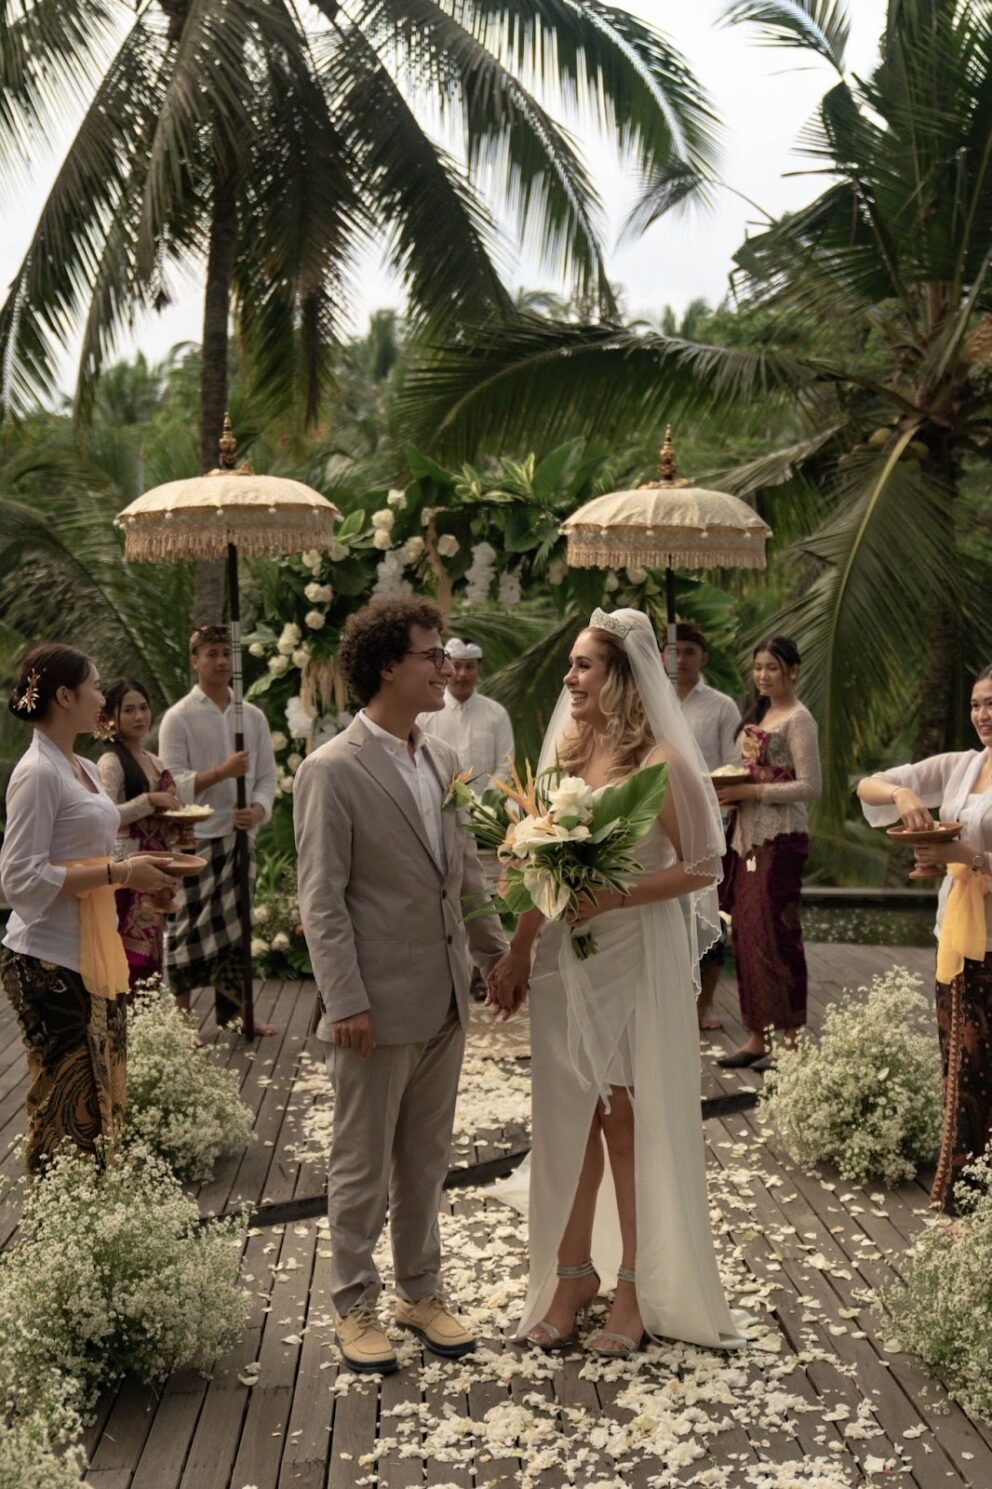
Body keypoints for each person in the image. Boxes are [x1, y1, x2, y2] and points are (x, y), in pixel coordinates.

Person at [488, 608, 745, 1357]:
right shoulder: (566, 758)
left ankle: (634, 1284)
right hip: (564, 961)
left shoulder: (661, 760)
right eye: (571, 665)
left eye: (584, 665)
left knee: (622, 1118)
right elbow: (536, 867)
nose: (569, 678)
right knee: (567, 1117)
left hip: (631, 955)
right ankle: (572, 1277)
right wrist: (517, 952)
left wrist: (616, 896)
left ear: (622, 678)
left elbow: (704, 865)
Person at [294, 597, 514, 1376]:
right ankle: (354, 1302)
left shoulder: (443, 759)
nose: (445, 667)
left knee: (425, 1160)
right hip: (373, 1005)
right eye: (431, 654)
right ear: (389, 665)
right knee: (361, 1162)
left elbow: (467, 875)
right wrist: (345, 999)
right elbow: (321, 899)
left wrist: (496, 959)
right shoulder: (331, 769)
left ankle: (420, 1291)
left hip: (445, 995)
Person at [0, 645, 177, 1172]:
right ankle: (56, 1213)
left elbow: (97, 852)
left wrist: (143, 871)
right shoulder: (38, 774)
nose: (102, 698)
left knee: (102, 1102)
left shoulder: (81, 766)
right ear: (63, 696)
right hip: (49, 958)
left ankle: (93, 1206)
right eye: (95, 687)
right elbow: (19, 879)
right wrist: (121, 874)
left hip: (91, 949)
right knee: (66, 1105)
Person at [856, 665, 992, 1211]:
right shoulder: (962, 766)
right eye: (976, 704)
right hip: (957, 933)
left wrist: (968, 857)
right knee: (961, 1068)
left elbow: (969, 852)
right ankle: (964, 1197)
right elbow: (866, 786)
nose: (982, 714)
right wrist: (904, 795)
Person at [158, 625, 278, 1034]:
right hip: (195, 839)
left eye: (227, 653)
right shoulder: (178, 717)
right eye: (211, 653)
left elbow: (267, 777)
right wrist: (221, 773)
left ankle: (238, 1013)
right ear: (195, 660)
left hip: (238, 838)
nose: (221, 661)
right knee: (187, 927)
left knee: (236, 928)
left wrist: (257, 810)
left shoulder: (252, 716)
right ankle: (182, 1022)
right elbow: (172, 784)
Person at [714, 636, 821, 1068]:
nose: (763, 675)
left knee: (779, 935)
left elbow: (810, 786)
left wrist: (752, 791)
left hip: (781, 838)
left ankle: (791, 1040)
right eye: (758, 667)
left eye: (772, 667)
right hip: (745, 836)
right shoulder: (758, 714)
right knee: (747, 937)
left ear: (793, 670)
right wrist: (731, 792)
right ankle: (757, 1036)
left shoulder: (799, 719)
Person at [662, 621, 742, 1030]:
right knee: (665, 914)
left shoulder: (722, 707)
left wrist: (705, 798)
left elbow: (734, 766)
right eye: (673, 651)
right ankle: (666, 1003)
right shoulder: (649, 702)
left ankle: (704, 1006)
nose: (680, 660)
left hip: (710, 822)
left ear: (703, 658)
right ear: (661, 656)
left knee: (709, 917)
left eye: (689, 652)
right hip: (657, 823)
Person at [96, 677, 186, 987]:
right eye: (129, 710)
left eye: (143, 708)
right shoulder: (110, 763)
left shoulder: (154, 761)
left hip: (156, 864)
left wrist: (177, 823)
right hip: (127, 870)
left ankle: (146, 1013)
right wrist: (150, 800)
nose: (139, 716)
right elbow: (105, 816)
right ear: (111, 717)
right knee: (126, 957)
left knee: (152, 956)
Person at [417, 637, 515, 791]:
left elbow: (506, 766)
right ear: (446, 667)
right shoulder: (425, 713)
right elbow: (417, 762)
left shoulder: (497, 713)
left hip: (486, 803)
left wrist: (484, 802)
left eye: (470, 667)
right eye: (456, 666)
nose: (462, 674)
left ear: (479, 669)